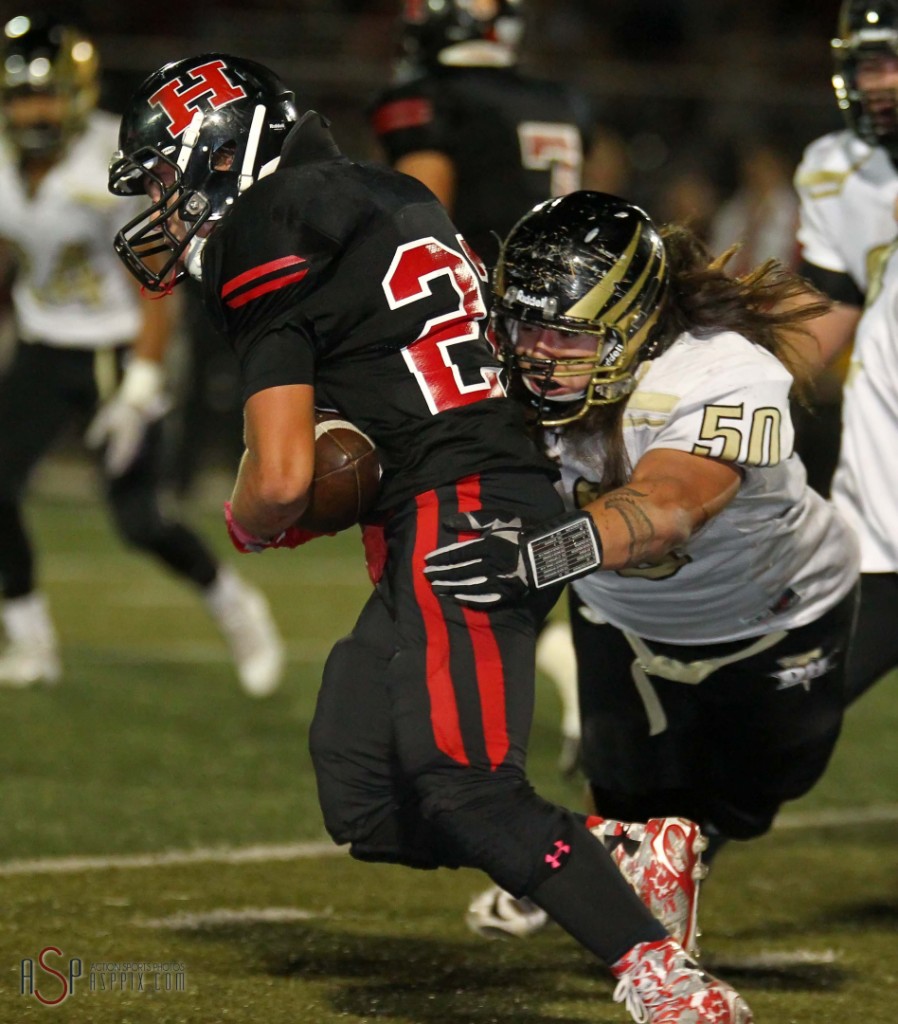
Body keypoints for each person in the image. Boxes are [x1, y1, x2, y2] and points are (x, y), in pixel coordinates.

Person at [108, 52, 753, 1024]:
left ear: (222, 150)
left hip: (466, 512)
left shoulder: (264, 225)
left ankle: (659, 975)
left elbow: (280, 480)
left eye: (166, 172)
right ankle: (611, 851)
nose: (161, 198)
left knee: (463, 782)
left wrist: (252, 519)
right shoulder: (383, 190)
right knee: (362, 787)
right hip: (462, 494)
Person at [424, 191, 859, 951]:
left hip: (776, 611)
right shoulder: (517, 359)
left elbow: (668, 508)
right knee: (624, 790)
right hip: (621, 611)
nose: (531, 352)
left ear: (632, 323)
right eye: (521, 323)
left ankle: (661, 857)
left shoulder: (722, 370)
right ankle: (615, 881)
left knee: (754, 797)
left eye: (561, 334)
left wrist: (535, 557)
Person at [0, 16, 284, 696]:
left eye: (43, 94)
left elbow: (156, 282)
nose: (31, 111)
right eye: (18, 96)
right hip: (44, 344)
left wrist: (143, 382)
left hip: (115, 351)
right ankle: (30, 641)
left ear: (75, 90)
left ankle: (235, 604)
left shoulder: (112, 158)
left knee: (140, 521)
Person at [371, 0, 593, 770]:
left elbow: (413, 220)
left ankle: (468, 723)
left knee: (456, 535)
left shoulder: (435, 98)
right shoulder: (558, 101)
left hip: (483, 336)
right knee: (543, 518)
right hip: (570, 336)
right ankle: (583, 680)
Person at [795, 0, 898, 700]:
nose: (880, 81)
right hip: (878, 510)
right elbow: (835, 307)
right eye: (868, 62)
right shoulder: (836, 168)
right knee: (778, 730)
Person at [370, 0, 593, 272]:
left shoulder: (434, 95)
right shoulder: (564, 102)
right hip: (560, 283)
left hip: (481, 287)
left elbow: (417, 222)